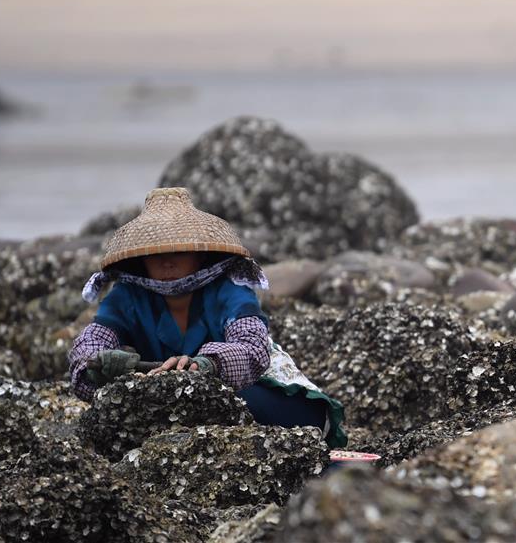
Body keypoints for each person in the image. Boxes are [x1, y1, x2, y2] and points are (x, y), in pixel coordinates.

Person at [68, 187, 347, 447]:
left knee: (236, 400)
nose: (167, 261)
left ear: (200, 253)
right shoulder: (127, 297)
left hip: (257, 389)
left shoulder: (230, 290)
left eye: (178, 250)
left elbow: (252, 346)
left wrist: (208, 365)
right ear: (141, 259)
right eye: (155, 253)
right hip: (176, 405)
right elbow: (90, 344)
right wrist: (100, 365)